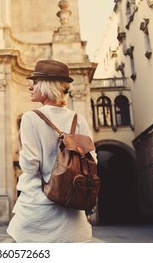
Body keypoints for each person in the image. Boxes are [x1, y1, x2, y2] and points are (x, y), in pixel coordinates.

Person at [7, 59, 97, 243]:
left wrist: (21, 146)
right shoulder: (79, 119)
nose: (30, 87)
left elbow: (30, 167)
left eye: (35, 82)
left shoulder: (31, 118)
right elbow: (92, 160)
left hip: (38, 211)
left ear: (47, 85)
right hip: (73, 214)